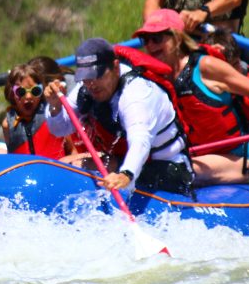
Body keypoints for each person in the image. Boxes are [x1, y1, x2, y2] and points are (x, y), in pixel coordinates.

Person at [133, 9, 249, 185]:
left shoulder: (206, 66)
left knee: (173, 171)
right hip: (200, 155)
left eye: (156, 38)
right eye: (145, 40)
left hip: (236, 159)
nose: (150, 46)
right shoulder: (156, 77)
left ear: (177, 37)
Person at [43, 38, 194, 194]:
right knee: (66, 164)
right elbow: (60, 129)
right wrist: (55, 106)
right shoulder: (87, 87)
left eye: (98, 76)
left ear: (115, 67)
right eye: (86, 77)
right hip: (124, 161)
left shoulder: (137, 93)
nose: (92, 84)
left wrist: (126, 174)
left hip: (169, 169)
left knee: (75, 166)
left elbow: (140, 139)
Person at [2, 63, 74, 159]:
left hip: (58, 171)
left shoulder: (53, 115)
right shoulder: (7, 124)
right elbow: (11, 159)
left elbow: (72, 150)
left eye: (35, 91)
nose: (28, 97)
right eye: (21, 92)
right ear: (11, 93)